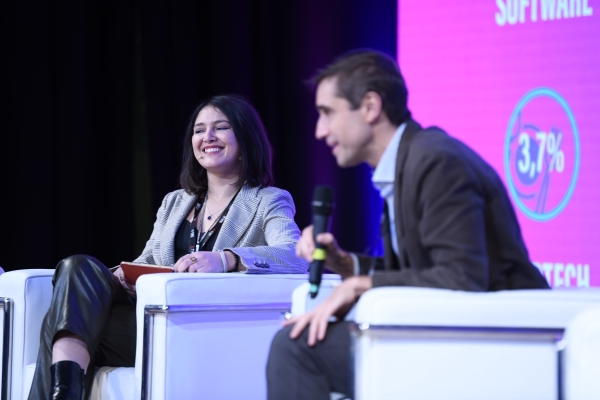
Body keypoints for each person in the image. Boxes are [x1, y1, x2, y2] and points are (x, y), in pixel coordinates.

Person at [266, 50, 550, 399]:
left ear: (370, 107)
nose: (319, 131)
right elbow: (423, 271)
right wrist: (347, 265)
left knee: (296, 348)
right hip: (449, 328)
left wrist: (360, 286)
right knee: (300, 337)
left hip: (498, 342)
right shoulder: (406, 161)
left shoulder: (435, 160)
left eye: (327, 113)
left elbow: (462, 277)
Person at [29, 94, 308, 400]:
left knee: (60, 323)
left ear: (245, 138)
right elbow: (148, 258)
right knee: (77, 268)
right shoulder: (175, 201)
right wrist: (124, 275)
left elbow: (295, 254)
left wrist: (227, 259)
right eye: (199, 130)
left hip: (195, 328)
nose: (208, 137)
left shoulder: (268, 199)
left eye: (221, 127)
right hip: (148, 318)